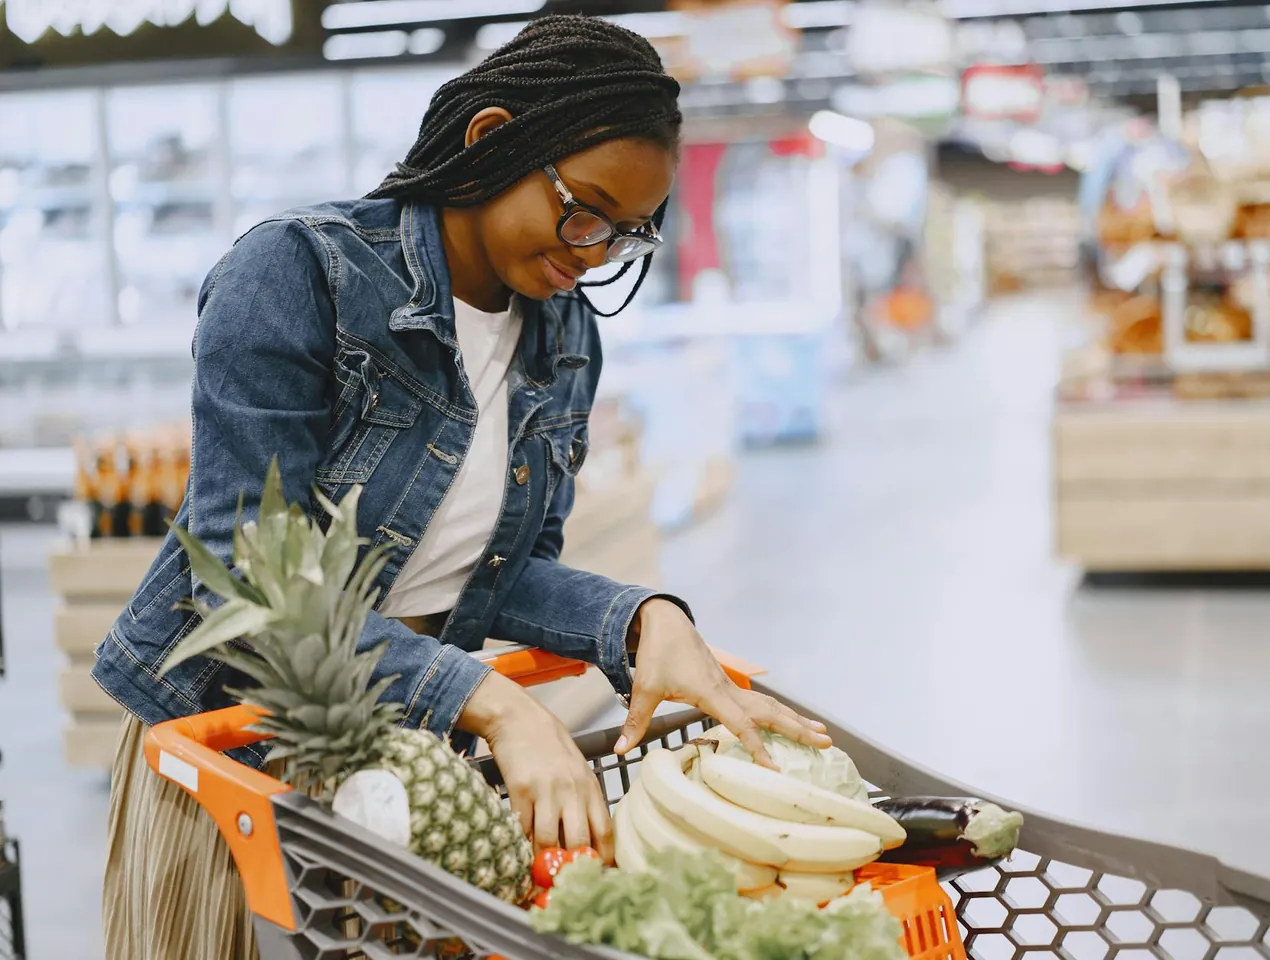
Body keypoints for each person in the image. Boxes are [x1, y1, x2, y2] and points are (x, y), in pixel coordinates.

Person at [93, 16, 829, 959]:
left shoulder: (565, 334)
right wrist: (494, 703)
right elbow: (244, 582)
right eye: (585, 210)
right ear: (491, 140)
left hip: (409, 746)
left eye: (629, 230)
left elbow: (500, 573)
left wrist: (645, 618)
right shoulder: (299, 274)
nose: (596, 253)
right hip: (225, 742)